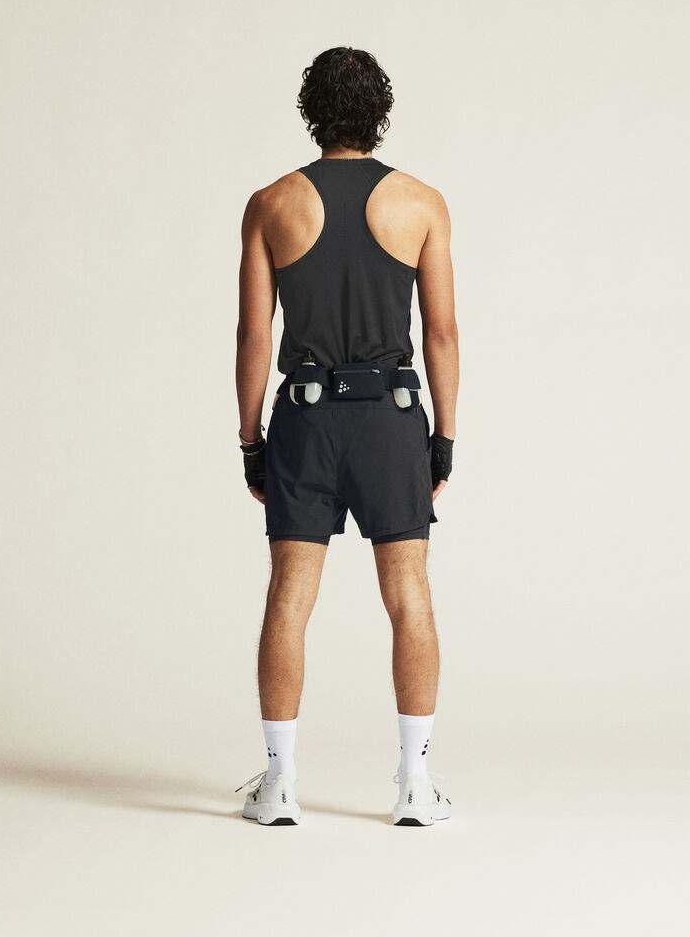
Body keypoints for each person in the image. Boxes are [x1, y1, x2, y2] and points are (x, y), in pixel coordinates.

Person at [235, 47, 458, 825]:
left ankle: (280, 785)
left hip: (306, 418)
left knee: (289, 594)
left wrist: (251, 440)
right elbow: (442, 334)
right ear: (380, 112)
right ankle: (414, 784)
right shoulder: (422, 202)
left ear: (312, 110)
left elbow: (254, 338)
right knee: (409, 593)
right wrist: (445, 438)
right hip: (391, 419)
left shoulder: (271, 204)